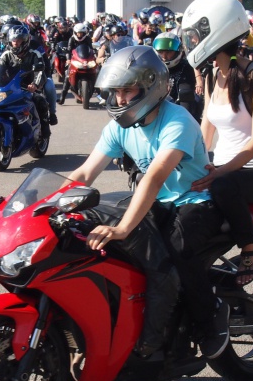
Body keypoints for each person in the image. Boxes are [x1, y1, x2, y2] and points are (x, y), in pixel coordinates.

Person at [67, 45, 228, 360]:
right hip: (158, 201)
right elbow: (85, 173)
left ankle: (210, 318)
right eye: (117, 92)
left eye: (128, 90)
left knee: (177, 251)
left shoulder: (177, 121)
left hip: (194, 200)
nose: (120, 99)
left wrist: (123, 228)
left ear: (151, 87)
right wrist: (41, 204)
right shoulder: (120, 127)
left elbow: (153, 178)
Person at [181, 0, 253, 287]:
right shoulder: (212, 75)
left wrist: (219, 172)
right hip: (222, 170)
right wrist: (181, 161)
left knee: (221, 186)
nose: (192, 42)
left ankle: (250, 248)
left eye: (196, 36)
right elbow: (205, 133)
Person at [0, 25, 52, 137]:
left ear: (25, 40)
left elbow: (40, 71)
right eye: (13, 40)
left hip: (28, 88)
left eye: (19, 40)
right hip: (11, 88)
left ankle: (44, 127)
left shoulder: (34, 54)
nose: (15, 43)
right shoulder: (6, 55)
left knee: (40, 101)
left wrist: (34, 84)